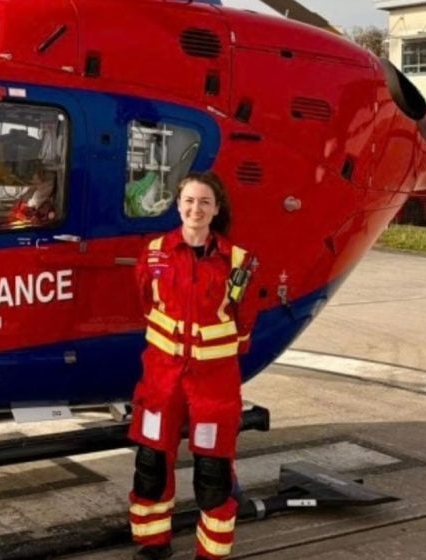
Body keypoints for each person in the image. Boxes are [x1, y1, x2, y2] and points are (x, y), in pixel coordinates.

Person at [127, 171, 256, 560]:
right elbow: (146, 304)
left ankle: (211, 553)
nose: (195, 209)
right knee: (150, 464)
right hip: (161, 379)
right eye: (188, 201)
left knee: (213, 474)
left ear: (216, 209)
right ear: (177, 204)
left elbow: (244, 320)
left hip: (213, 384)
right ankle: (153, 542)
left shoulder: (239, 261)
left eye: (204, 202)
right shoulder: (154, 253)